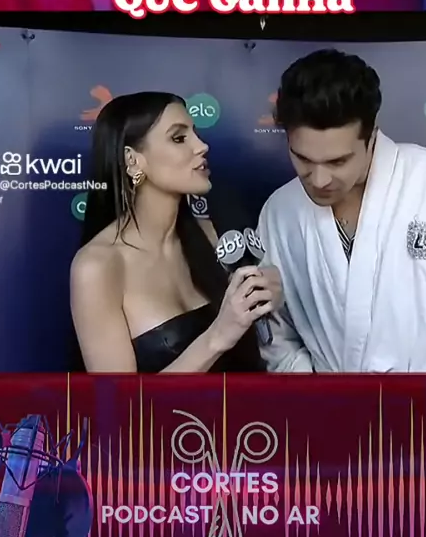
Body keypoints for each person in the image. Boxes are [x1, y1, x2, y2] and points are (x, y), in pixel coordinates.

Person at [257, 49, 426, 373]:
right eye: (303, 159)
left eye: (338, 161)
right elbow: (274, 332)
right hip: (327, 399)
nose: (319, 179)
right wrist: (311, 387)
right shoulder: (280, 212)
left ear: (371, 136)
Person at [70, 92, 282, 373]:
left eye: (195, 133)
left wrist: (270, 302)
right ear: (132, 160)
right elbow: (118, 398)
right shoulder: (98, 267)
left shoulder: (214, 236)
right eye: (179, 138)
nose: (202, 146)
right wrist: (217, 336)